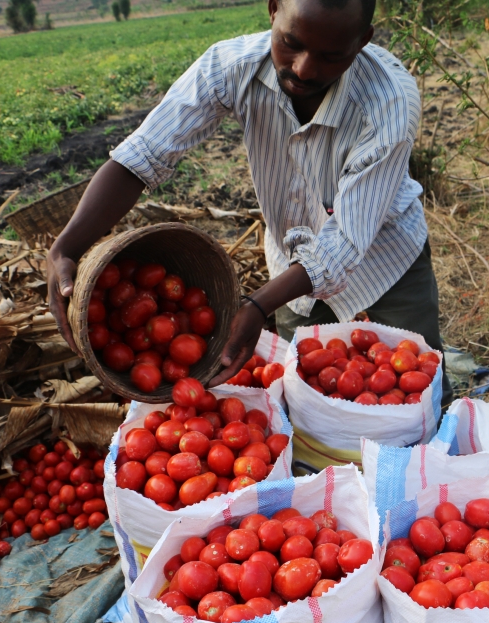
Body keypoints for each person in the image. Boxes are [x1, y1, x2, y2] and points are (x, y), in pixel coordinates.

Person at [46, 0, 452, 404]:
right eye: (291, 43)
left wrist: (259, 306)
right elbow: (143, 156)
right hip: (292, 264)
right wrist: (66, 247)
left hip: (385, 257)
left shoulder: (388, 102)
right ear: (273, 10)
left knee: (421, 386)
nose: (304, 69)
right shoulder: (231, 67)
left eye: (332, 56)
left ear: (363, 41)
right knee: (305, 392)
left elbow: (345, 240)